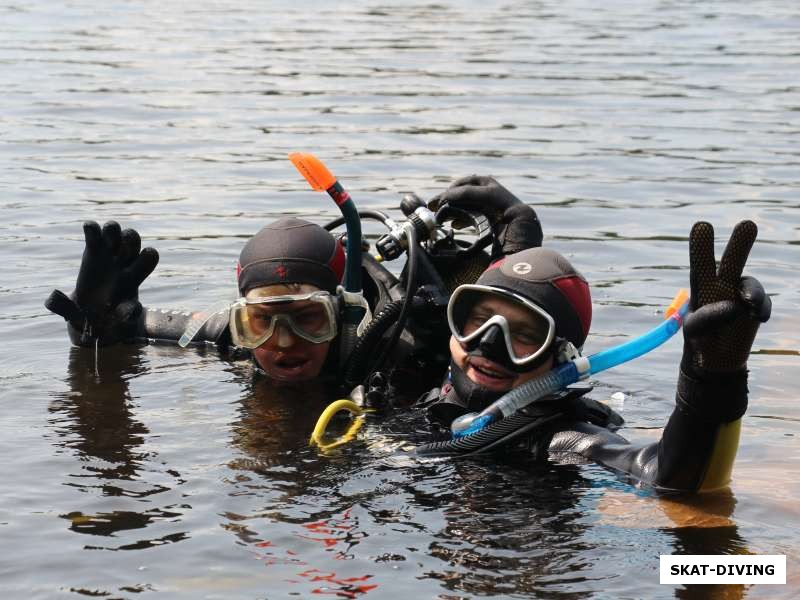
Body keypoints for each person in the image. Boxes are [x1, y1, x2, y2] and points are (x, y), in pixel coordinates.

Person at [45, 176, 544, 391]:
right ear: (240, 321)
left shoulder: (395, 345)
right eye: (260, 321)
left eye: (308, 318)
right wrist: (102, 327)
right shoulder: (231, 338)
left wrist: (518, 258)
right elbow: (128, 334)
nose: (283, 343)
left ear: (343, 312)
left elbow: (508, 343)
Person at [418, 220, 771, 493]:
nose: (489, 344)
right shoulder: (409, 378)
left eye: (525, 335)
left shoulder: (561, 439)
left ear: (561, 360)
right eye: (478, 322)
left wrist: (711, 379)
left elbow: (668, 478)